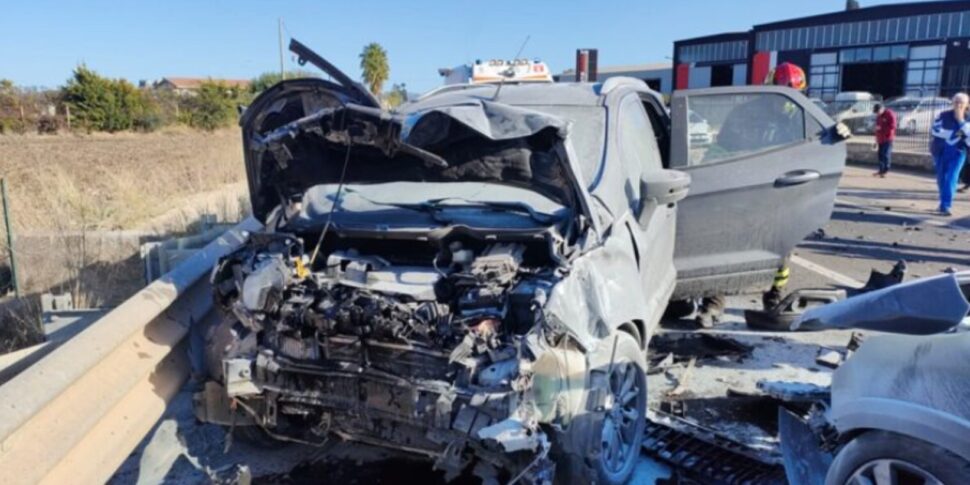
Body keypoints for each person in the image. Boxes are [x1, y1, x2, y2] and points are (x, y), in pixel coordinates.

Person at [693, 62, 804, 327]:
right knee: (723, 245)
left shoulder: (800, 118)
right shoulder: (745, 114)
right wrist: (705, 177)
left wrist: (836, 135)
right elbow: (722, 147)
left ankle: (774, 301)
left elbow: (815, 147)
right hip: (741, 189)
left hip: (778, 193)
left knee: (780, 250)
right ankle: (713, 304)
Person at [930, 93, 970, 216]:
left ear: (967, 105)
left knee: (951, 177)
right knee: (941, 179)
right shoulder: (943, 115)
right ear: (952, 102)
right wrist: (957, 133)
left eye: (961, 102)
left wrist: (960, 120)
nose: (958, 105)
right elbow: (935, 130)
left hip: (958, 152)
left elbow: (968, 135)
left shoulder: (968, 118)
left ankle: (945, 205)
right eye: (956, 101)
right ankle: (943, 201)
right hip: (940, 151)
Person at [872, 103, 896, 177]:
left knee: (885, 154)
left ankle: (885, 170)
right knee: (880, 155)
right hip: (880, 139)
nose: (877, 113)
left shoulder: (890, 114)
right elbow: (877, 128)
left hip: (888, 138)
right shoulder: (878, 116)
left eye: (878, 111)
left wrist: (881, 128)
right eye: (876, 112)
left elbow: (893, 126)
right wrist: (876, 140)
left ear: (882, 109)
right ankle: (881, 170)